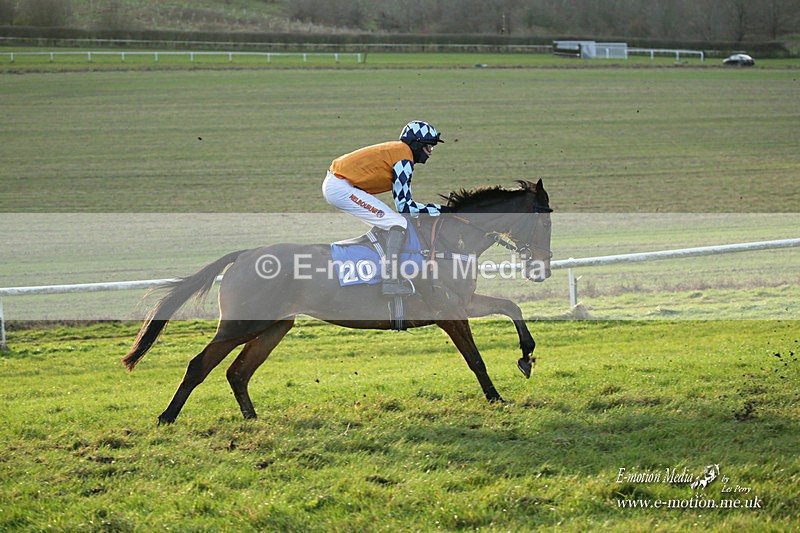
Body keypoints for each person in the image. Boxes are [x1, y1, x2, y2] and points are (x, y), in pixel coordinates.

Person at [323, 120, 445, 296]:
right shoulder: (404, 158)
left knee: (391, 220)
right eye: (428, 147)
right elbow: (405, 207)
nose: (430, 152)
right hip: (340, 188)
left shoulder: (400, 153)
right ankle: (391, 280)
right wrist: (441, 210)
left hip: (340, 185)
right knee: (398, 223)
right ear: (416, 144)